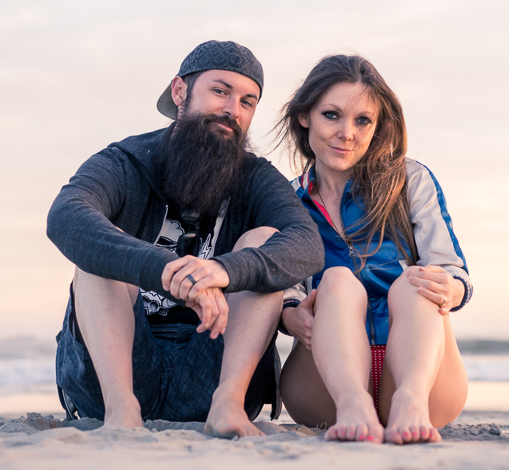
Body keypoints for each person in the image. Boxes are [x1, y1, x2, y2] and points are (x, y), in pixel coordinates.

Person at [46, 40, 324, 438]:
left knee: (265, 241)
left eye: (248, 101)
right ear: (180, 91)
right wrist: (167, 269)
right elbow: (65, 217)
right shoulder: (125, 161)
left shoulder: (256, 177)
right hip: (118, 369)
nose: (233, 109)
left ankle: (228, 406)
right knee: (99, 251)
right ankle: (122, 414)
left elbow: (306, 244)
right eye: (220, 91)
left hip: (212, 365)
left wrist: (222, 272)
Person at [276, 55, 472, 444]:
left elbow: (453, 271)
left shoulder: (410, 179)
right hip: (326, 383)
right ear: (305, 116)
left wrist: (452, 288)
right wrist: (289, 315)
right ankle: (354, 404)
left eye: (362, 120)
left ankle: (409, 402)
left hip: (423, 378)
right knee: (335, 279)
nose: (346, 133)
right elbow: (283, 289)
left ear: (378, 125)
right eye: (332, 115)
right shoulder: (285, 199)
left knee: (416, 280)